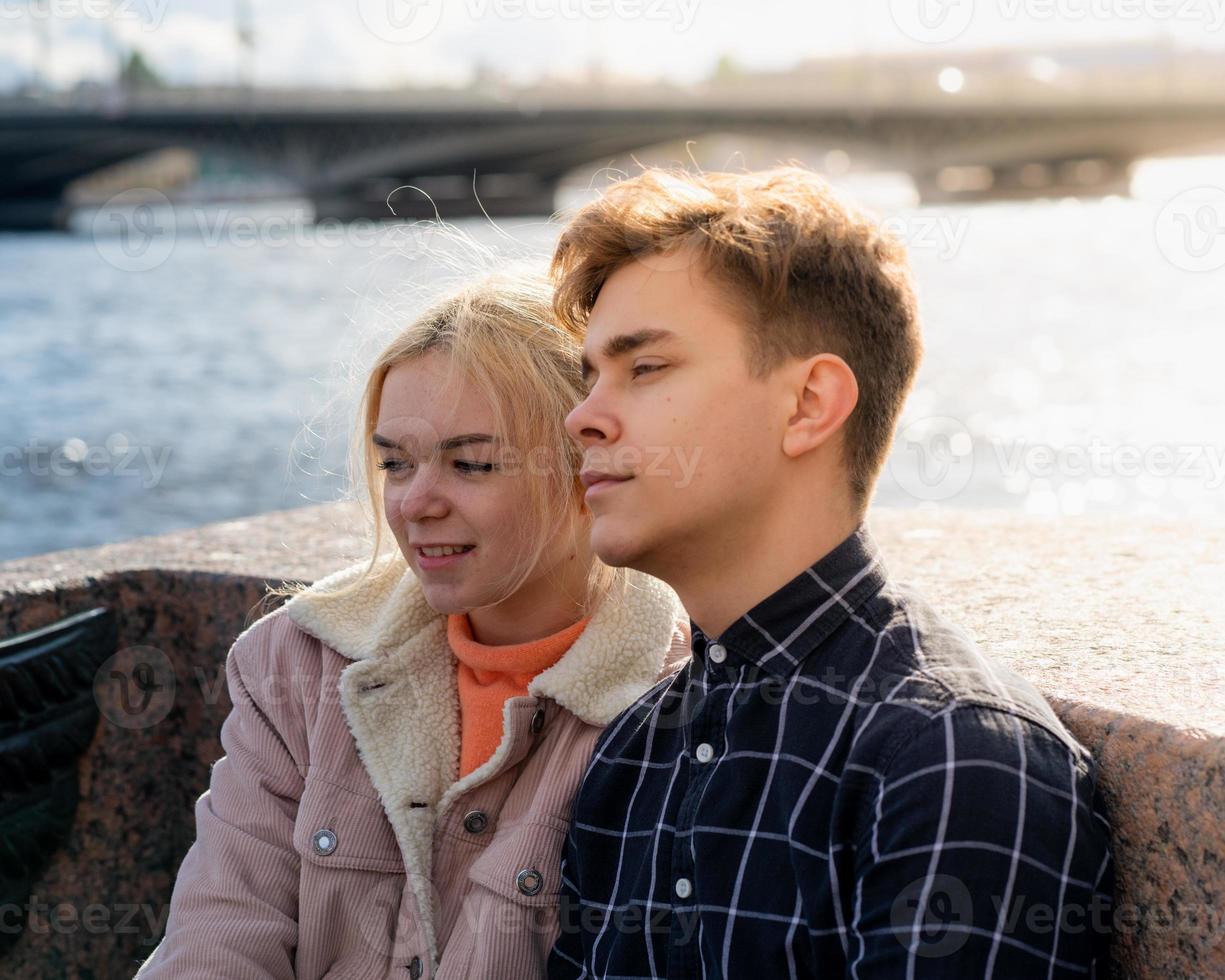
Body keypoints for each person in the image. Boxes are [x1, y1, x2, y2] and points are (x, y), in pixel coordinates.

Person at [546, 167, 1115, 977]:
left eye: (645, 369)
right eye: (589, 376)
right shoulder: (636, 748)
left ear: (810, 404)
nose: (582, 417)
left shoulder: (948, 760)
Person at [132, 268, 690, 980]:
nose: (415, 504)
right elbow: (217, 939)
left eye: (472, 464)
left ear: (587, 467)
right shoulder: (299, 663)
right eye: (395, 464)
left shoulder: (683, 705)